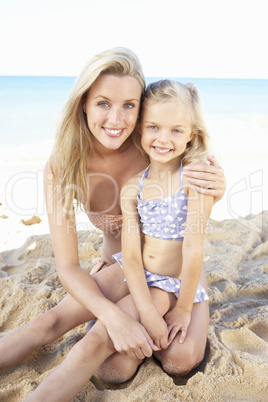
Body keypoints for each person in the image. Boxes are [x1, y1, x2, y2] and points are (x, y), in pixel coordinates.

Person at [0, 48, 225, 392]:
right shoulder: (64, 165)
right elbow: (68, 266)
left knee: (179, 358)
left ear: (141, 110)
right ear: (84, 104)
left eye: (129, 106)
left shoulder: (151, 144)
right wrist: (111, 315)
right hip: (123, 268)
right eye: (103, 103)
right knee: (72, 339)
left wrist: (217, 186)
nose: (116, 119)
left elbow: (187, 161)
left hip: (175, 270)